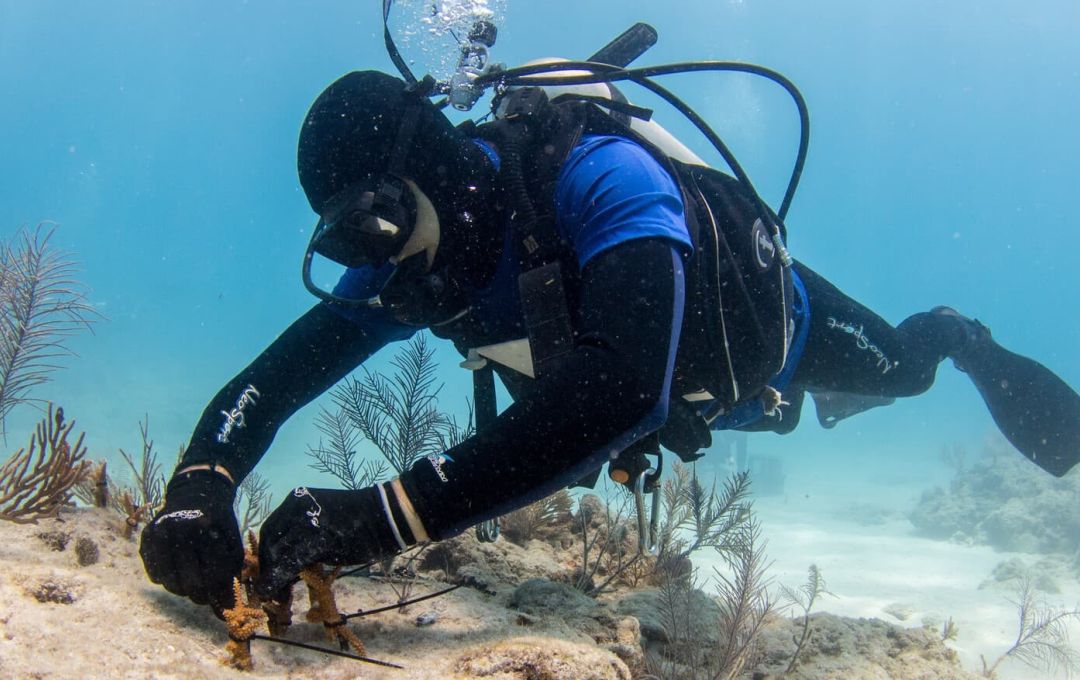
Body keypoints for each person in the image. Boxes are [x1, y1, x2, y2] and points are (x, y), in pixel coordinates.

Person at [139, 70, 1080, 614]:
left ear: (424, 169)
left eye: (374, 221)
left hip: (775, 344)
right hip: (652, 402)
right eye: (346, 237)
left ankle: (958, 334)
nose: (369, 255)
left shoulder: (603, 178)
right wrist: (199, 488)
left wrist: (384, 516)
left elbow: (625, 389)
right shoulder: (411, 259)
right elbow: (274, 378)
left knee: (905, 375)